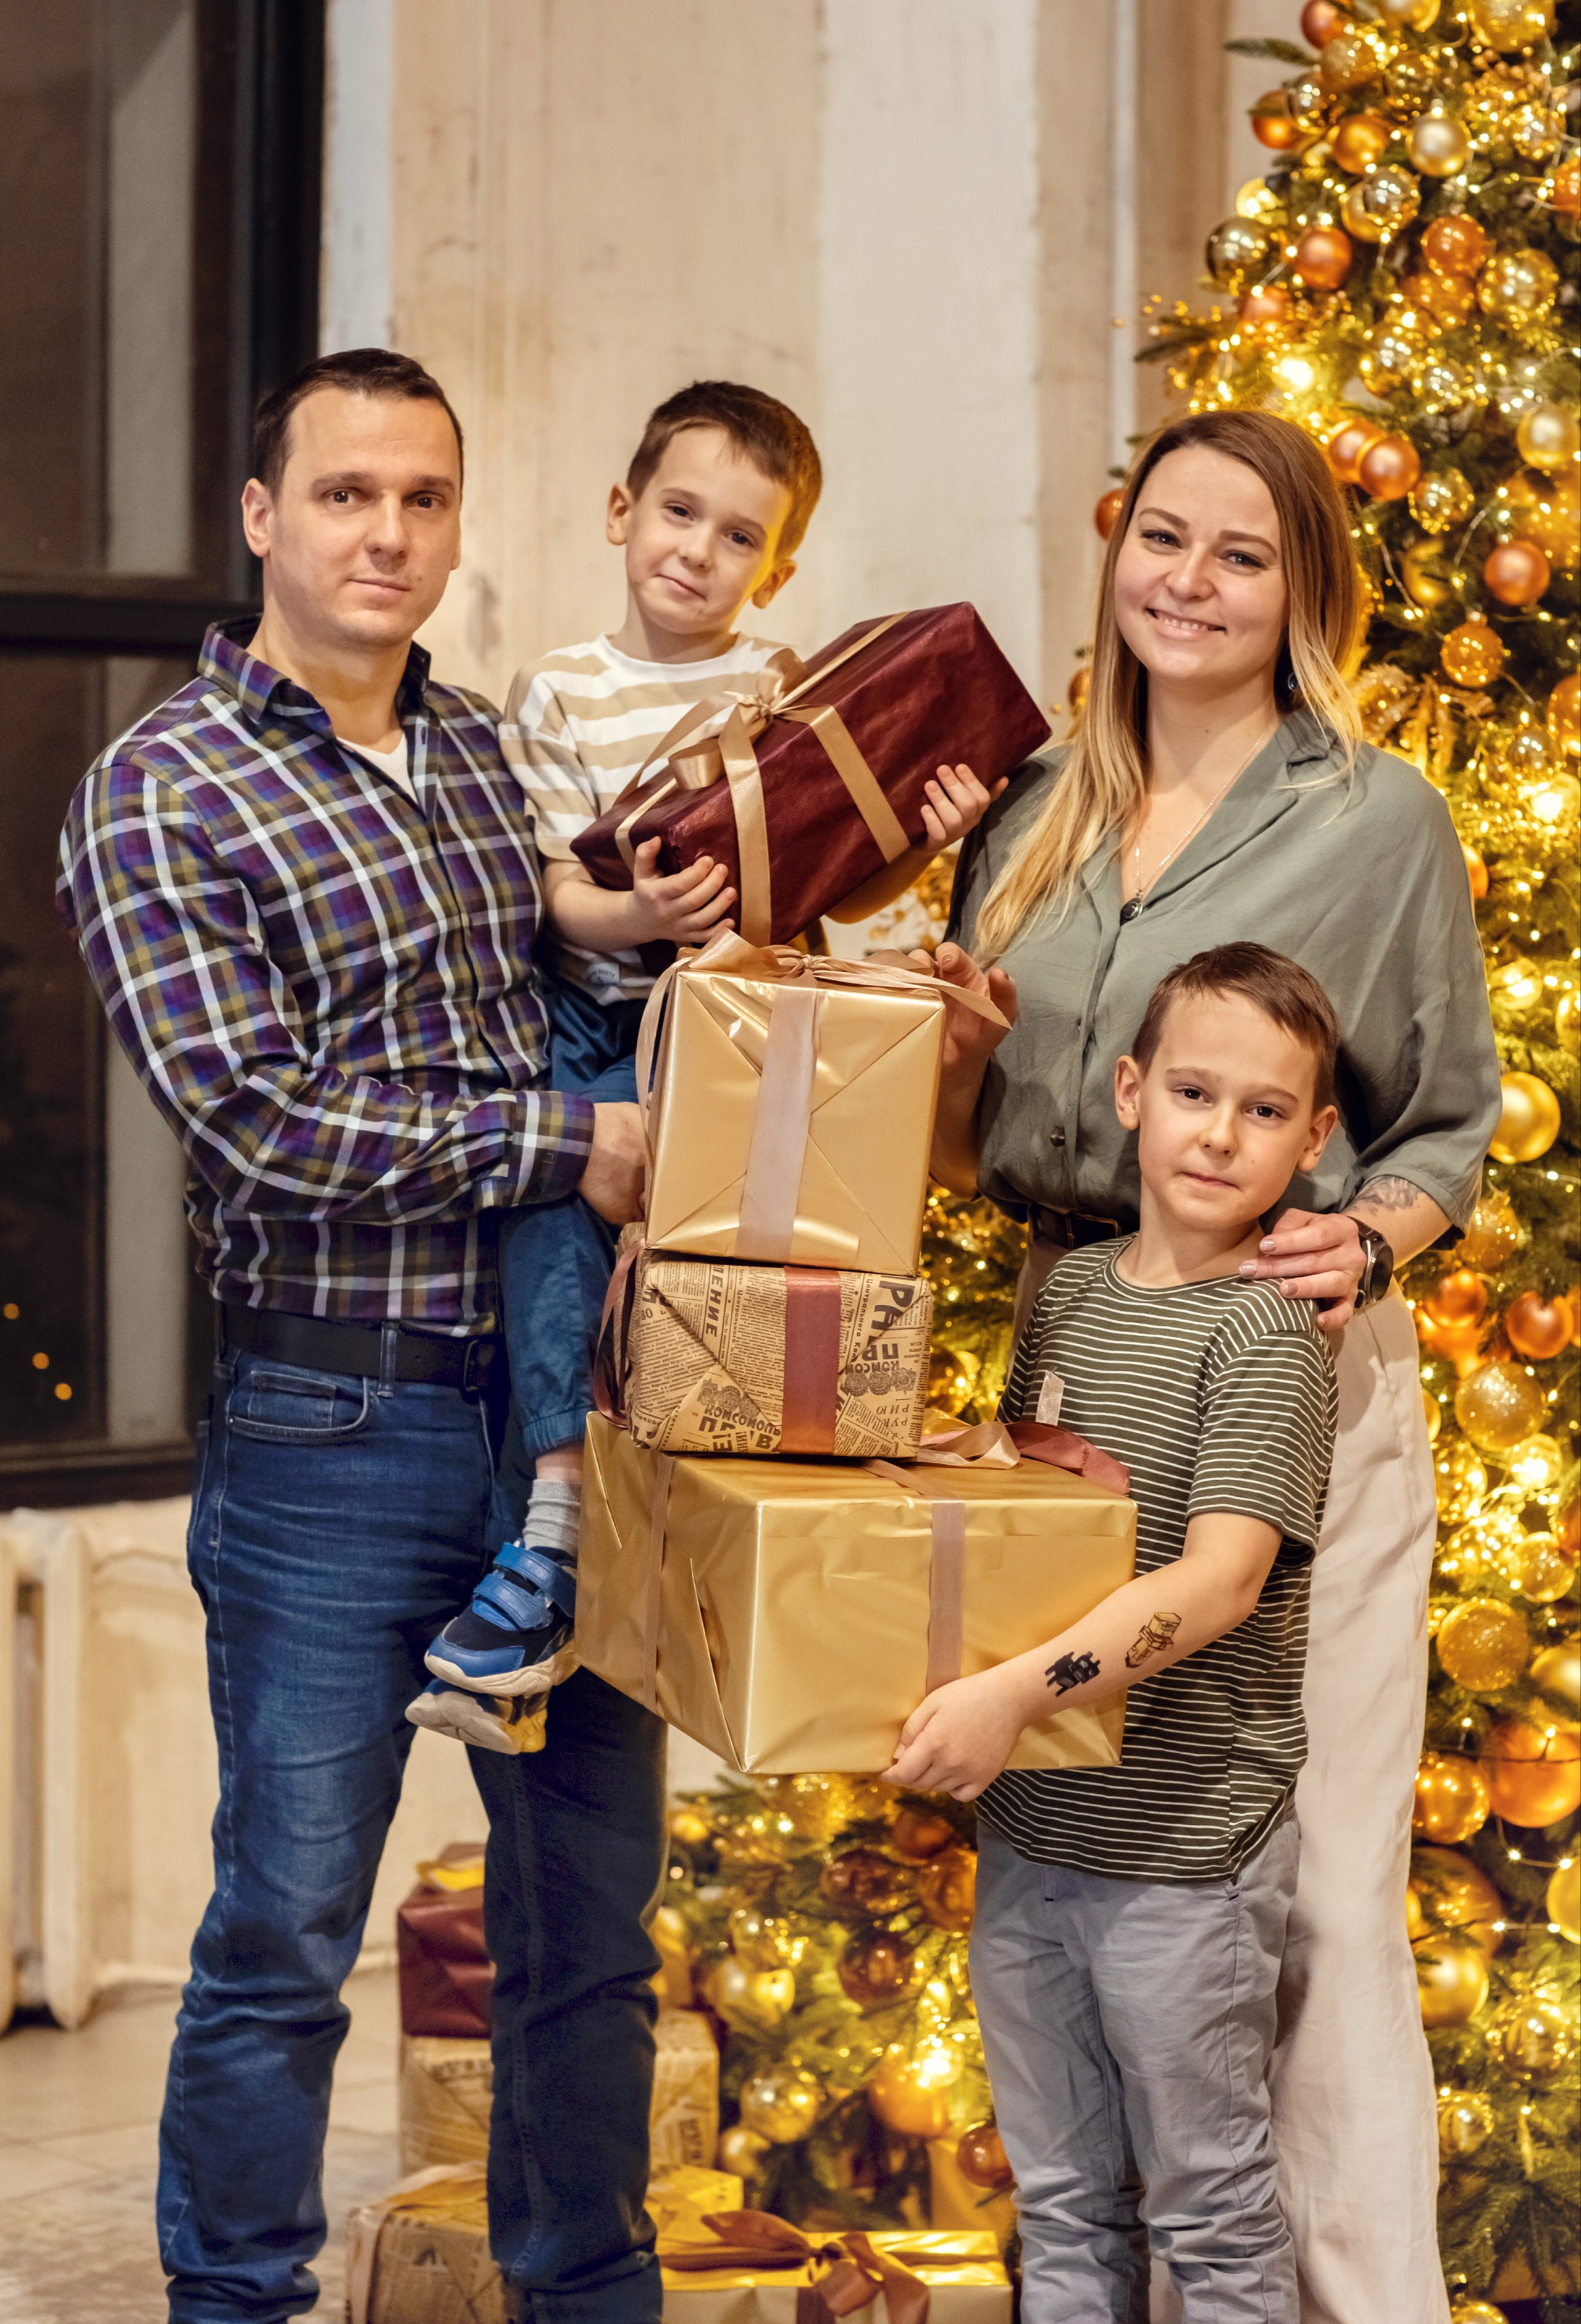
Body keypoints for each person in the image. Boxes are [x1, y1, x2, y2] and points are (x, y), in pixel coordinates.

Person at [57, 348, 664, 2324]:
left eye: (422, 497)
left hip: (565, 1435)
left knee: (591, 1932)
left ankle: (589, 2294)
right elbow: (262, 1118)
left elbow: (598, 982)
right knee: (288, 1924)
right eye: (343, 494)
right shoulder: (161, 789)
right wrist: (570, 1143)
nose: (385, 532)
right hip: (335, 1419)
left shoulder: (493, 756)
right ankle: (235, 2299)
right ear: (260, 517)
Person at [924, 408, 1500, 2324]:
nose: (1186, 578)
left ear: (1303, 588)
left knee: (1315, 1892)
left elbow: (1451, 1123)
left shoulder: (1375, 814)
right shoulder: (1032, 812)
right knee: (1100, 1865)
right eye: (1158, 537)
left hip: (1285, 1364)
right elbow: (974, 1124)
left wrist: (1380, 1230)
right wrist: (932, 1052)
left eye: (1238, 552)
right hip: (1078, 1366)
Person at [419, 379, 1000, 1736]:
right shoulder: (558, 689)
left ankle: (747, 1524)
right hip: (604, 1016)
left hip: (747, 1021)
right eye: (677, 512)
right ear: (623, 513)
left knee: (767, 1255)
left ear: (778, 566)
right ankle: (560, 1507)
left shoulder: (786, 685)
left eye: (738, 536)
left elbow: (844, 887)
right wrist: (638, 915)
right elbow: (554, 891)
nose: (697, 551)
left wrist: (928, 834)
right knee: (563, 1215)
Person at [889, 942, 1344, 2322]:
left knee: (1205, 2215)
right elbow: (1038, 1502)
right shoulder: (1073, 1295)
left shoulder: (1266, 1334)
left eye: (1264, 1110)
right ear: (1130, 1090)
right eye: (1195, 1091)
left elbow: (1215, 1584)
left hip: (1180, 1857)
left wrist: (1009, 1697)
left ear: (1312, 1139)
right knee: (1065, 2205)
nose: (1218, 1133)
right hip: (1034, 1834)